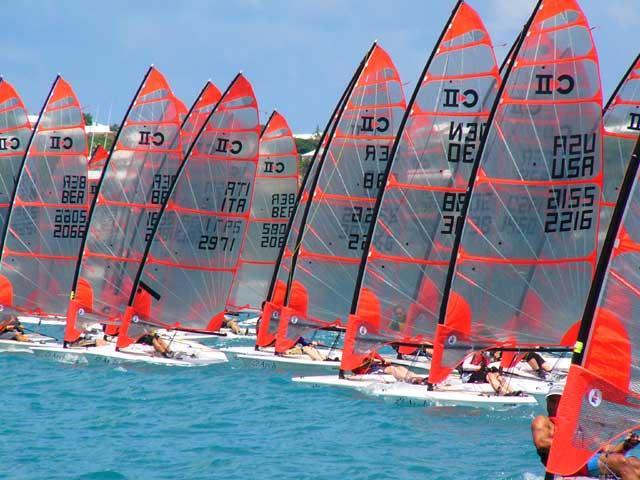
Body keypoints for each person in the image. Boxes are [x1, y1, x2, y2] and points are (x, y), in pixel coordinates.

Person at [532, 384, 640, 479]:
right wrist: (578, 446)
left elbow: (605, 448)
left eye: (558, 400)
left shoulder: (578, 424)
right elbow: (542, 443)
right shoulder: (543, 421)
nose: (554, 405)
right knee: (619, 462)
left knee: (635, 463)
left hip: (586, 461)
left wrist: (626, 445)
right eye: (551, 401)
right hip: (569, 466)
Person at [350, 352, 428, 384]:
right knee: (391, 369)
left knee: (400, 368)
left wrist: (383, 361)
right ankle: (412, 380)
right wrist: (373, 361)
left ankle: (417, 377)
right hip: (368, 371)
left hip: (377, 367)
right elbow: (357, 367)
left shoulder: (370, 350)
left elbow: (380, 360)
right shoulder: (355, 353)